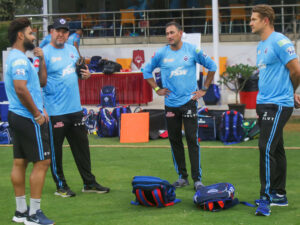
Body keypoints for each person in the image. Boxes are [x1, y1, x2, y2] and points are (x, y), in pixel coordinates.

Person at [143, 21, 217, 190]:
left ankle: (197, 179)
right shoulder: (161, 53)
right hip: (170, 105)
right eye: (167, 33)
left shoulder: (192, 50)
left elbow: (212, 66)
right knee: (175, 141)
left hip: (189, 102)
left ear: (180, 33)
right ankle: (182, 177)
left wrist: (204, 89)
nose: (169, 36)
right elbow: (146, 71)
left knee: (192, 140)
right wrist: (157, 89)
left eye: (172, 32)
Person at [41, 18, 110, 197]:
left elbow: (79, 72)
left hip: (75, 109)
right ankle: (61, 186)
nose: (61, 34)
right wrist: (42, 108)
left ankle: (89, 183)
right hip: (55, 111)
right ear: (51, 32)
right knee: (56, 152)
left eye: (64, 31)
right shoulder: (44, 54)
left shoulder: (72, 50)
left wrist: (85, 75)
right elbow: (37, 83)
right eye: (58, 31)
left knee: (82, 148)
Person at [250, 5, 300, 216]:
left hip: (278, 104)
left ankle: (266, 197)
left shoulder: (280, 41)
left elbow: (297, 70)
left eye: (253, 19)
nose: (250, 22)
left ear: (266, 20)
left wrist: (290, 92)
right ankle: (279, 194)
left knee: (266, 147)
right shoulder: (261, 45)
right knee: (276, 148)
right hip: (264, 103)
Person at [5, 18, 54, 224]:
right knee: (43, 161)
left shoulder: (19, 58)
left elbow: (39, 83)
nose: (34, 37)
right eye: (31, 33)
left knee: (20, 161)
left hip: (18, 115)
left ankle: (20, 211)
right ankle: (34, 214)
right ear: (20, 35)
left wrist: (38, 107)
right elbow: (20, 88)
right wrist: (36, 113)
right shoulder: (17, 60)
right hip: (27, 117)